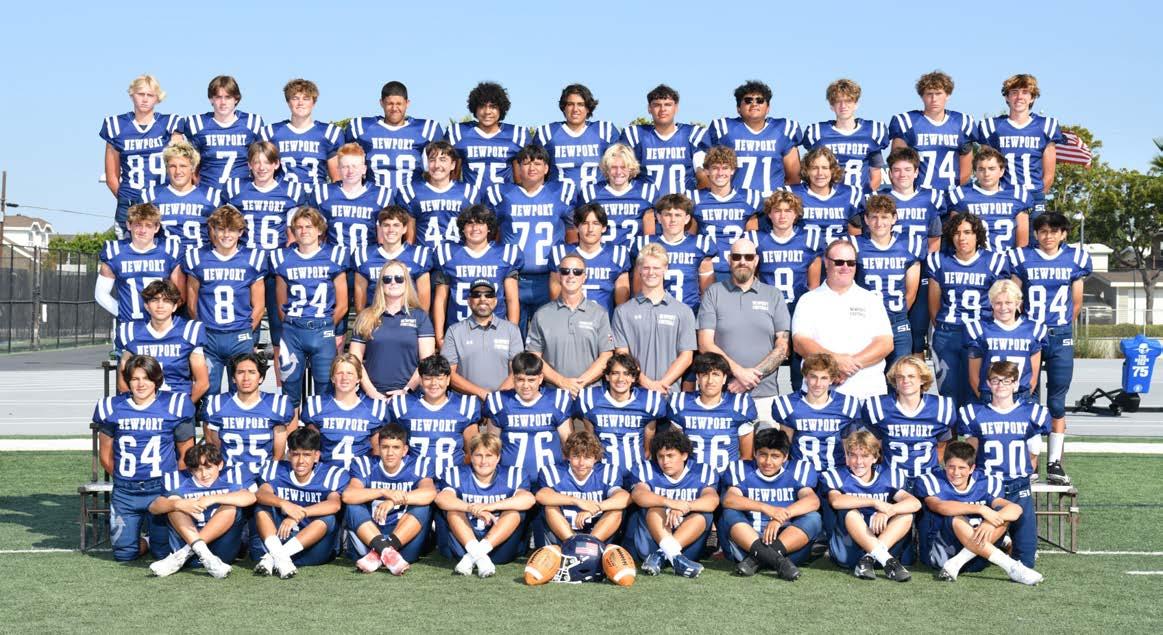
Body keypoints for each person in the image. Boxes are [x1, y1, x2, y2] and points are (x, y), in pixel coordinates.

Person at [1010, 211, 1091, 484]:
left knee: (1057, 400)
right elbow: (1015, 297)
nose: (1048, 236)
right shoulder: (1022, 257)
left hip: (1059, 334)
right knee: (1029, 396)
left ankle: (1055, 463)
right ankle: (1031, 462)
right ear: (1035, 233)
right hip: (1030, 335)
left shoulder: (1075, 258)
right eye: (1043, 231)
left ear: (1063, 234)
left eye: (1054, 231)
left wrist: (1061, 328)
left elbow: (1076, 302)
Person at [94, 354, 196, 562]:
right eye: (135, 378)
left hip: (160, 489)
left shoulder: (174, 404)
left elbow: (187, 455)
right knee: (124, 554)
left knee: (163, 553)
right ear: (128, 381)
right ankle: (144, 541)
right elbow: (105, 455)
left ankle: (153, 541)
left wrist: (172, 487)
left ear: (156, 380)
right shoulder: (112, 407)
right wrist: (124, 479)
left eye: (146, 378)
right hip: (126, 492)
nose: (141, 384)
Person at [958, 360, 1050, 569]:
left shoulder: (1032, 413)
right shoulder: (974, 413)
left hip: (1019, 486)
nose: (1001, 385)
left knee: (1026, 559)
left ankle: (1006, 541)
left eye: (1006, 381)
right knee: (976, 563)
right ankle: (1001, 541)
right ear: (988, 384)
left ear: (1016, 384)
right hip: (989, 488)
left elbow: (1033, 453)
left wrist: (1025, 476)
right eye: (995, 380)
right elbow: (971, 452)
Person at [223, 142, 306, 373]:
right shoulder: (236, 189)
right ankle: (246, 380)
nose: (261, 167)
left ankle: (281, 386)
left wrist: (286, 263)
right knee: (248, 326)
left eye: (267, 162)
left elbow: (292, 234)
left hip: (276, 266)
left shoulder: (290, 190)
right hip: (246, 267)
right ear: (249, 165)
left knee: (281, 328)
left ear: (276, 164)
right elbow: (229, 228)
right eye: (256, 162)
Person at [915, 441, 1043, 585]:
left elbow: (1015, 509)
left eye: (962, 468)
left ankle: (957, 562)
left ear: (972, 468)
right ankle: (1012, 567)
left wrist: (989, 523)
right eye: (951, 467)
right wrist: (980, 509)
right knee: (956, 518)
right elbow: (939, 506)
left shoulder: (985, 482)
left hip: (977, 558)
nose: (956, 473)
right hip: (943, 553)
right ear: (945, 465)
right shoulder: (932, 481)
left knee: (1002, 517)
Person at [698, 238, 790, 426]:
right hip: (723, 395)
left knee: (767, 444)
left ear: (756, 260)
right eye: (737, 257)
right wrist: (739, 372)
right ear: (729, 260)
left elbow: (783, 347)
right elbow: (705, 344)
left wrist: (749, 378)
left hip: (765, 395)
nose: (742, 261)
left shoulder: (774, 295)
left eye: (748, 257)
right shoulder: (713, 293)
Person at [487, 143, 576, 331]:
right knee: (512, 335)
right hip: (513, 278)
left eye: (537, 163)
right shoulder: (503, 194)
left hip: (549, 277)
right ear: (518, 167)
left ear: (547, 168)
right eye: (526, 163)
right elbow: (493, 234)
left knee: (548, 334)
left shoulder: (560, 193)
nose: (532, 168)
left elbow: (572, 232)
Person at [792, 239, 894, 399]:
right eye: (839, 262)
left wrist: (847, 366)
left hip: (867, 394)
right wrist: (835, 362)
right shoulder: (808, 300)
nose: (845, 267)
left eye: (851, 263)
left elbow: (885, 344)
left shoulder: (871, 300)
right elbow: (801, 343)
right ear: (826, 263)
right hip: (821, 398)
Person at [269, 207, 349, 406]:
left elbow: (343, 305)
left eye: (309, 226)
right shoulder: (282, 258)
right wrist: (293, 325)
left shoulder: (335, 256)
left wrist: (325, 326)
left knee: (325, 389)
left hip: (322, 329)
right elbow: (281, 303)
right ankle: (292, 427)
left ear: (319, 230)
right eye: (299, 227)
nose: (304, 231)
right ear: (293, 231)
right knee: (290, 391)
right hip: (293, 331)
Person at [927, 212, 1009, 405]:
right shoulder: (939, 260)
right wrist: (943, 327)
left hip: (981, 333)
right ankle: (952, 427)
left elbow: (1001, 302)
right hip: (948, 332)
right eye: (956, 233)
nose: (961, 237)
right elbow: (934, 303)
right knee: (949, 394)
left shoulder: (994, 261)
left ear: (977, 235)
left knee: (979, 391)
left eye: (967, 232)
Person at [719, 429, 822, 580]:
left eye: (775, 456)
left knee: (813, 518)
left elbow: (812, 501)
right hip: (748, 544)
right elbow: (729, 499)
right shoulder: (741, 470)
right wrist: (766, 508)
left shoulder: (798, 470)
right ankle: (779, 562)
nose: (768, 462)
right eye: (763, 454)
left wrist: (779, 518)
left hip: (786, 546)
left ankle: (756, 559)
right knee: (729, 513)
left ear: (785, 457)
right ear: (755, 453)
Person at [183, 205, 265, 394]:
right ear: (213, 230)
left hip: (239, 335)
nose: (226, 235)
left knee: (242, 392)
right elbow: (192, 302)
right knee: (208, 394)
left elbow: (259, 305)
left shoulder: (253, 258)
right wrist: (202, 330)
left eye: (232, 230)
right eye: (221, 229)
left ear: (240, 232)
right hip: (210, 336)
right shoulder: (197, 258)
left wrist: (244, 331)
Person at [820, 429, 919, 582]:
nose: (858, 462)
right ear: (846, 457)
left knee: (905, 515)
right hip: (849, 549)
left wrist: (889, 511)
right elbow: (836, 501)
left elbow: (915, 503)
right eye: (853, 455)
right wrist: (875, 502)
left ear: (875, 457)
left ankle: (869, 559)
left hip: (884, 542)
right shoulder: (837, 476)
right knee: (850, 512)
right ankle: (887, 560)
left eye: (865, 456)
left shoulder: (888, 476)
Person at [147, 442, 256, 578]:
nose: (204, 474)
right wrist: (178, 504)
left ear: (220, 465)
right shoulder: (178, 480)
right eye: (198, 470)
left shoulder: (233, 476)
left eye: (209, 468)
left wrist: (213, 498)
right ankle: (204, 554)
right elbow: (154, 507)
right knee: (174, 504)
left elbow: (250, 497)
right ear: (190, 470)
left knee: (230, 506)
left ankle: (186, 553)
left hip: (218, 551)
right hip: (187, 542)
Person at [435, 432, 536, 577]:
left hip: (499, 545)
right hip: (462, 543)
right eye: (478, 455)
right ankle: (479, 556)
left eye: (489, 455)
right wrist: (472, 508)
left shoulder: (513, 475)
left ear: (498, 458)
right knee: (453, 509)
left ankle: (473, 557)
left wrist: (490, 506)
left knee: (514, 512)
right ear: (471, 456)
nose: (483, 461)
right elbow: (442, 499)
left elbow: (528, 499)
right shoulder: (456, 473)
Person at [253, 427, 349, 578]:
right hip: (281, 538)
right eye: (296, 454)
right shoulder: (276, 470)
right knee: (261, 508)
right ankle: (279, 556)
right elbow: (261, 494)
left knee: (328, 518)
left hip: (314, 549)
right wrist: (284, 503)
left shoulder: (330, 475)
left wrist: (300, 514)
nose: (301, 461)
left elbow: (334, 504)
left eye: (307, 455)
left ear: (316, 456)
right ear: (289, 454)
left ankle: (273, 557)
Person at [344, 423, 438, 574]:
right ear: (378, 448)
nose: (390, 453)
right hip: (369, 536)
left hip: (404, 539)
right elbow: (348, 495)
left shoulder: (419, 465)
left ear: (405, 450)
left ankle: (380, 552)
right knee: (353, 505)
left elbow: (429, 493)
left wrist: (393, 500)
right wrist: (383, 492)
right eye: (385, 447)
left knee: (422, 506)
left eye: (396, 447)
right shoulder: (365, 464)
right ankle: (386, 552)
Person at [751, 190, 822, 391]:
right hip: (767, 310)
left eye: (788, 211)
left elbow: (814, 286)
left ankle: (800, 399)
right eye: (777, 210)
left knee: (800, 366)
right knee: (763, 360)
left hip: (798, 308)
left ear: (796, 214)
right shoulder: (756, 240)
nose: (782, 215)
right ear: (769, 214)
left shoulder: (810, 239)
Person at [627, 426, 720, 578]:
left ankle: (660, 556)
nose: (665, 461)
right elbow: (638, 495)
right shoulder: (647, 469)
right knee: (655, 508)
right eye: (661, 456)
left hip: (686, 544)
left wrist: (685, 506)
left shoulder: (702, 471)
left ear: (684, 455)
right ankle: (673, 557)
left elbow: (712, 501)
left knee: (703, 515)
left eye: (670, 456)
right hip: (652, 540)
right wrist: (670, 503)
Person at [881, 147, 945, 355]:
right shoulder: (880, 199)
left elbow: (934, 239)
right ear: (890, 173)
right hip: (888, 270)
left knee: (917, 333)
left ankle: (916, 373)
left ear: (917, 172)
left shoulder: (930, 199)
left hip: (920, 270)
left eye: (908, 169)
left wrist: (926, 267)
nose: (902, 174)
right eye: (897, 170)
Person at [101, 74, 181, 237]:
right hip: (131, 201)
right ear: (132, 95)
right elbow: (111, 177)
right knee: (129, 249)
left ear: (157, 98)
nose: (145, 99)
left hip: (163, 200)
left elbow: (181, 166)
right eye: (140, 94)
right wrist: (127, 199)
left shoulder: (170, 124)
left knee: (167, 249)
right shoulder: (116, 126)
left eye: (150, 95)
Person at [974, 74, 1065, 218]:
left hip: (1034, 196)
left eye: (1025, 92)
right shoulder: (992, 127)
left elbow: (1049, 174)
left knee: (1037, 232)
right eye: (1014, 92)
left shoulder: (1045, 126)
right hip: (1003, 195)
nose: (1019, 97)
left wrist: (1037, 195)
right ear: (1007, 97)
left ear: (1032, 97)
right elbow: (986, 167)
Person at [527, 252, 615, 396]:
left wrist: (579, 384)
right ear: (559, 276)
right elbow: (534, 356)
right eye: (565, 271)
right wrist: (562, 382)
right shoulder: (541, 314)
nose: (571, 275)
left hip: (590, 395)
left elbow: (606, 355)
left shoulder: (600, 313)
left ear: (584, 277)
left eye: (577, 271)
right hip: (553, 395)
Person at [613, 243, 697, 394]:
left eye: (656, 268)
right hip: (635, 396)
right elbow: (622, 355)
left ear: (665, 269)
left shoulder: (684, 311)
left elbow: (686, 357)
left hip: (669, 393)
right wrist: (647, 384)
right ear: (639, 269)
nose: (651, 272)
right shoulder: (622, 312)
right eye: (646, 268)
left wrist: (662, 384)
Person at [851, 194, 923, 369]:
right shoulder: (855, 245)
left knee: (899, 375)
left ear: (894, 218)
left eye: (884, 217)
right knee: (866, 375)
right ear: (866, 219)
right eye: (874, 217)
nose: (879, 222)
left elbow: (911, 293)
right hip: (864, 322)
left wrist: (894, 317)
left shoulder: (909, 246)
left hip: (897, 322)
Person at [432, 205, 521, 340]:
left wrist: (512, 335)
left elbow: (512, 299)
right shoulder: (448, 254)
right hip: (458, 331)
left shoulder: (505, 254)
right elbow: (440, 300)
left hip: (495, 332)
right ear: (462, 228)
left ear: (489, 227)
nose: (475, 228)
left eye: (480, 223)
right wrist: (439, 337)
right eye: (470, 223)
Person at [350, 259, 436, 398]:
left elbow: (427, 361)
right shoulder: (365, 317)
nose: (393, 282)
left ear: (407, 283)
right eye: (387, 279)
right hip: (372, 396)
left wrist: (407, 390)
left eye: (399, 278)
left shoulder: (420, 317)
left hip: (410, 396)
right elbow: (355, 361)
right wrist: (372, 392)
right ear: (381, 284)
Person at [484, 352, 574, 481]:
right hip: (510, 480)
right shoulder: (499, 402)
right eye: (520, 380)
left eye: (531, 380)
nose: (526, 386)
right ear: (513, 378)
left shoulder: (557, 401)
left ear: (541, 378)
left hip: (551, 479)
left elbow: (568, 443)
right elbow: (491, 446)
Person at [388, 355, 482, 477]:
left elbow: (473, 451)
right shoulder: (403, 406)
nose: (434, 383)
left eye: (439, 378)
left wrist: (460, 476)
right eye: (428, 378)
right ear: (420, 380)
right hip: (416, 479)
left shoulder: (465, 406)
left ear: (448, 380)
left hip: (453, 479)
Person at [574, 353, 667, 475]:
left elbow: (648, 440)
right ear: (607, 376)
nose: (620, 379)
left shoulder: (649, 402)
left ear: (633, 378)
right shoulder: (590, 400)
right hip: (602, 472)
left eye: (626, 373)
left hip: (637, 472)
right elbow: (590, 436)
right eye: (615, 373)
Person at [865, 355, 955, 481]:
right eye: (900, 376)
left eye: (911, 376)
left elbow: (941, 446)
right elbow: (875, 443)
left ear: (922, 379)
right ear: (894, 380)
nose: (905, 380)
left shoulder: (940, 408)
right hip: (891, 480)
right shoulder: (879, 407)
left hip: (928, 478)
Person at [202, 352, 292, 477]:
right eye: (240, 372)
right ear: (233, 378)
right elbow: (214, 451)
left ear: (261, 378)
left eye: (252, 372)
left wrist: (269, 478)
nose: (246, 378)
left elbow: (278, 455)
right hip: (229, 477)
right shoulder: (217, 405)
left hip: (263, 476)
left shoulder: (276, 405)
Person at [117, 280, 209, 402]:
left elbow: (202, 383)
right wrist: (140, 406)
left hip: (177, 400)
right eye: (155, 300)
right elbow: (123, 383)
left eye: (166, 301)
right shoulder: (130, 333)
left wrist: (185, 406)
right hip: (143, 404)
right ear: (146, 306)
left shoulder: (190, 331)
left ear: (175, 306)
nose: (160, 305)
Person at [95, 202, 185, 327]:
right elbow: (101, 294)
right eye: (138, 225)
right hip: (129, 327)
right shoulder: (115, 252)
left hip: (162, 327)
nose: (143, 230)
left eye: (148, 225)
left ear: (157, 227)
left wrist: (162, 317)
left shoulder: (170, 251)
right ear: (129, 225)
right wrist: (122, 314)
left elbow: (179, 295)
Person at [666, 352, 756, 473]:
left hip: (727, 477)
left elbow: (746, 457)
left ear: (724, 378)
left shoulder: (739, 406)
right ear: (697, 378)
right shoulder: (681, 404)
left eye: (716, 374)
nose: (710, 381)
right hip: (693, 477)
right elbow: (674, 451)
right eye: (704, 375)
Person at [771, 353, 862, 474]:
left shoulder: (846, 405)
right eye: (813, 377)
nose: (818, 384)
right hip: (801, 471)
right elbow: (785, 445)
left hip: (836, 471)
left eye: (824, 378)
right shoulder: (789, 405)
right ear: (805, 377)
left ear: (832, 379)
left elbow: (850, 445)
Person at [345, 81, 444, 190]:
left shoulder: (427, 130)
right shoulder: (362, 128)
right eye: (390, 104)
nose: (394, 108)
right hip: (374, 196)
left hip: (412, 196)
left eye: (399, 104)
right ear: (381, 103)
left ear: (407, 103)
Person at [708, 80, 802, 195]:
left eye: (760, 100)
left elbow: (794, 177)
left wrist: (779, 201)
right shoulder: (724, 130)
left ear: (768, 108)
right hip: (736, 202)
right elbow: (710, 172)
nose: (754, 104)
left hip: (772, 203)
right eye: (748, 100)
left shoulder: (783, 130)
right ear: (738, 108)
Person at [536, 430, 630, 544]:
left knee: (616, 510)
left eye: (587, 457)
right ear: (568, 456)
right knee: (550, 506)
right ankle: (573, 544)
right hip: (563, 535)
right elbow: (541, 495)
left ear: (596, 458)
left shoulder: (607, 472)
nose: (581, 463)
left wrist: (595, 508)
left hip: (598, 535)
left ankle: (590, 544)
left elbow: (625, 497)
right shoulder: (554, 472)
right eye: (576, 456)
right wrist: (577, 501)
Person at [888, 70, 975, 191]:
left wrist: (951, 194)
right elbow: (896, 165)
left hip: (951, 194)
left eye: (938, 93)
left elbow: (966, 170)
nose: (934, 99)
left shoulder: (961, 123)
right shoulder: (907, 123)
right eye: (929, 94)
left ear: (948, 95)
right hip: (918, 195)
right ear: (922, 96)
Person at [301, 354, 390, 469]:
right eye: (340, 373)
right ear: (332, 378)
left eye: (350, 373)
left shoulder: (374, 409)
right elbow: (310, 448)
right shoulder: (317, 406)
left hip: (361, 474)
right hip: (326, 473)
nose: (344, 378)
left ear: (358, 378)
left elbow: (377, 452)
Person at [619, 84, 710, 197]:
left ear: (676, 108)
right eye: (657, 105)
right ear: (649, 108)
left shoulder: (693, 136)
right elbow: (620, 174)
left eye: (668, 104)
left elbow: (703, 176)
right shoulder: (635, 136)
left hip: (683, 205)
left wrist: (695, 202)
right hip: (646, 205)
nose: (662, 109)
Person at [441, 278, 524, 399]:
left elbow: (517, 371)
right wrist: (483, 395)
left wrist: (495, 399)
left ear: (495, 301)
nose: (483, 299)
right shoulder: (454, 331)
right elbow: (448, 374)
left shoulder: (512, 330)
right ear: (469, 301)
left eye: (488, 295)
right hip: (465, 404)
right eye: (476, 294)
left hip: (504, 401)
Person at [632, 193, 716, 314]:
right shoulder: (645, 244)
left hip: (689, 312)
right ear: (659, 218)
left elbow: (706, 292)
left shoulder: (700, 245)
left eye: (678, 215)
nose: (673, 220)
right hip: (653, 313)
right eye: (667, 215)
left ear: (687, 218)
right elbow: (638, 289)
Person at [965, 280, 1046, 403]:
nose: (1003, 308)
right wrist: (987, 401)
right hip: (989, 397)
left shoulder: (1033, 330)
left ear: (1018, 303)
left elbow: (1033, 377)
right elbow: (974, 376)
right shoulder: (979, 330)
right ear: (991, 304)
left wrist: (1018, 404)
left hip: (1021, 397)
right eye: (998, 303)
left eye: (1008, 302)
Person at [801, 78, 888, 191]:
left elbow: (876, 176)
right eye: (838, 101)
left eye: (848, 101)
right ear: (831, 106)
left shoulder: (872, 132)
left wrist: (860, 197)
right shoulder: (818, 134)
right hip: (828, 198)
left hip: (860, 198)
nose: (843, 106)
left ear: (856, 104)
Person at [691, 145, 763, 280]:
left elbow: (752, 241)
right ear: (706, 171)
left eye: (725, 168)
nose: (720, 173)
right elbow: (691, 238)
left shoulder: (749, 198)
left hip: (739, 268)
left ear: (733, 170)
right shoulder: (695, 199)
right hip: (708, 270)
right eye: (715, 168)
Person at [178, 75, 264, 187]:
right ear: (211, 99)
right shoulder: (197, 125)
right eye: (218, 97)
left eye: (228, 97)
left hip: (242, 191)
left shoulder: (252, 123)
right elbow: (188, 160)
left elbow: (263, 159)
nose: (223, 102)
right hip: (207, 190)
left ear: (236, 99)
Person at [313, 143, 397, 254]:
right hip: (333, 258)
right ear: (338, 169)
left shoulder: (381, 195)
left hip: (368, 259)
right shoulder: (323, 193)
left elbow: (384, 238)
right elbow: (316, 236)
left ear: (364, 169)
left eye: (355, 166)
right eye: (345, 167)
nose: (350, 171)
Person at [946, 146, 1031, 254]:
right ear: (975, 172)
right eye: (981, 169)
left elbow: (1022, 244)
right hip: (975, 260)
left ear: (1001, 171)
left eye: (992, 169)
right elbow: (955, 235)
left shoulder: (1017, 196)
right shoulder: (961, 196)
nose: (986, 174)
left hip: (1006, 259)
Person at [534, 84, 619, 190]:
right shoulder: (547, 133)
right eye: (570, 104)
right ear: (564, 107)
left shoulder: (605, 131)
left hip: (597, 197)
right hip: (558, 198)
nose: (575, 109)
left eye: (581, 104)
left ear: (588, 108)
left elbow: (621, 168)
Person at [548, 203, 630, 314]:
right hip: (568, 319)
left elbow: (622, 305)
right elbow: (555, 296)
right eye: (585, 223)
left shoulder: (617, 255)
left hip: (603, 321)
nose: (590, 229)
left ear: (604, 227)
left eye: (596, 223)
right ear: (577, 227)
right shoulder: (561, 253)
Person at [141, 140, 220, 255]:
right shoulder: (151, 196)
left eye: (183, 166)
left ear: (192, 168)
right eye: (173, 166)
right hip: (165, 259)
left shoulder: (211, 196)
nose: (178, 171)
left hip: (201, 258)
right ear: (167, 168)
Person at [262, 78, 342, 189]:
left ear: (313, 103)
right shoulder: (271, 133)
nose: (300, 103)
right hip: (283, 197)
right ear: (288, 102)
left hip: (316, 197)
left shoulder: (329, 133)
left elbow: (337, 180)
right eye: (295, 98)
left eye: (306, 98)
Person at [399, 141, 479, 251]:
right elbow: (409, 239)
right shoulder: (412, 192)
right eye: (432, 160)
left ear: (453, 165)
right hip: (425, 255)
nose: (437, 165)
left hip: (456, 256)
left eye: (443, 160)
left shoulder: (469, 192)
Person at [447, 81, 527, 192]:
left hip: (503, 200)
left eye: (493, 107)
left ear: (501, 109)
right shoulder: (458, 133)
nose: (487, 112)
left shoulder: (517, 135)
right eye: (482, 106)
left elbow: (522, 182)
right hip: (471, 200)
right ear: (475, 108)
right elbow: (451, 181)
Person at [352, 206, 432, 313]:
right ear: (380, 228)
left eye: (396, 225)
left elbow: (423, 305)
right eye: (386, 225)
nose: (391, 230)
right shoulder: (364, 256)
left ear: (404, 229)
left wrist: (416, 322)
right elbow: (360, 305)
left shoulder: (419, 256)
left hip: (408, 318)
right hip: (375, 317)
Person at [580, 144, 657, 245]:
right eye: (614, 167)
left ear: (631, 168)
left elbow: (649, 239)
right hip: (603, 253)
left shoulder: (646, 193)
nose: (618, 172)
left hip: (635, 253)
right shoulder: (591, 194)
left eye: (623, 167)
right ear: (607, 169)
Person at [784, 146, 862, 245]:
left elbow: (855, 235)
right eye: (814, 168)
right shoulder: (792, 194)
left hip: (839, 252)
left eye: (825, 168)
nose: (820, 173)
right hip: (805, 251)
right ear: (806, 170)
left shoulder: (850, 195)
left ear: (832, 170)